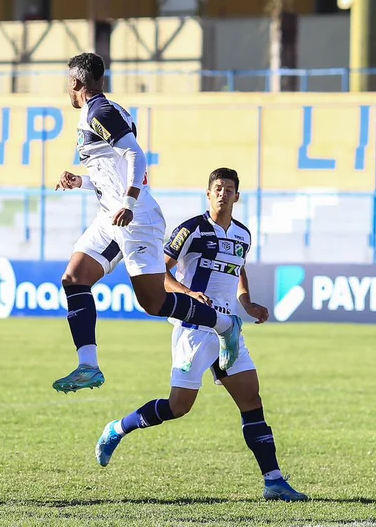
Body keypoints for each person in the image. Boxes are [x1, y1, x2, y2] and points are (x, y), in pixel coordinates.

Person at [93, 168, 307, 501]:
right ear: (208, 194)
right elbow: (159, 271)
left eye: (229, 189)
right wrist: (187, 293)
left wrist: (246, 302)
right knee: (179, 406)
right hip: (194, 329)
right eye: (218, 188)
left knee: (251, 400)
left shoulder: (243, 234)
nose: (223, 193)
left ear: (237, 196)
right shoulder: (191, 229)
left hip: (229, 330)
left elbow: (238, 269)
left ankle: (274, 481)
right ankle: (118, 428)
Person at [52, 52, 243, 393]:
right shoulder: (102, 113)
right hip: (111, 216)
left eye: (68, 81)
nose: (67, 87)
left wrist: (128, 201)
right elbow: (114, 171)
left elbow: (136, 156)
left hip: (135, 218)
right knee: (74, 279)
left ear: (76, 83)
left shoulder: (101, 111)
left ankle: (225, 324)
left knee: (153, 303)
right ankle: (88, 366)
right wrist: (80, 182)